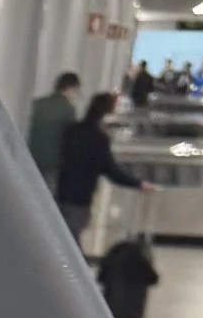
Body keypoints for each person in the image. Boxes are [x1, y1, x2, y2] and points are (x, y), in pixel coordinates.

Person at [55, 90, 141, 248]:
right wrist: (137, 184)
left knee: (64, 234)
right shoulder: (99, 139)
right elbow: (110, 170)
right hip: (81, 195)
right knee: (72, 239)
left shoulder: (72, 131)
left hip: (62, 189)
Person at [26, 70, 81, 189]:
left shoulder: (36, 104)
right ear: (71, 88)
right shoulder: (68, 110)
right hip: (52, 164)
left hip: (30, 157)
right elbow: (71, 140)